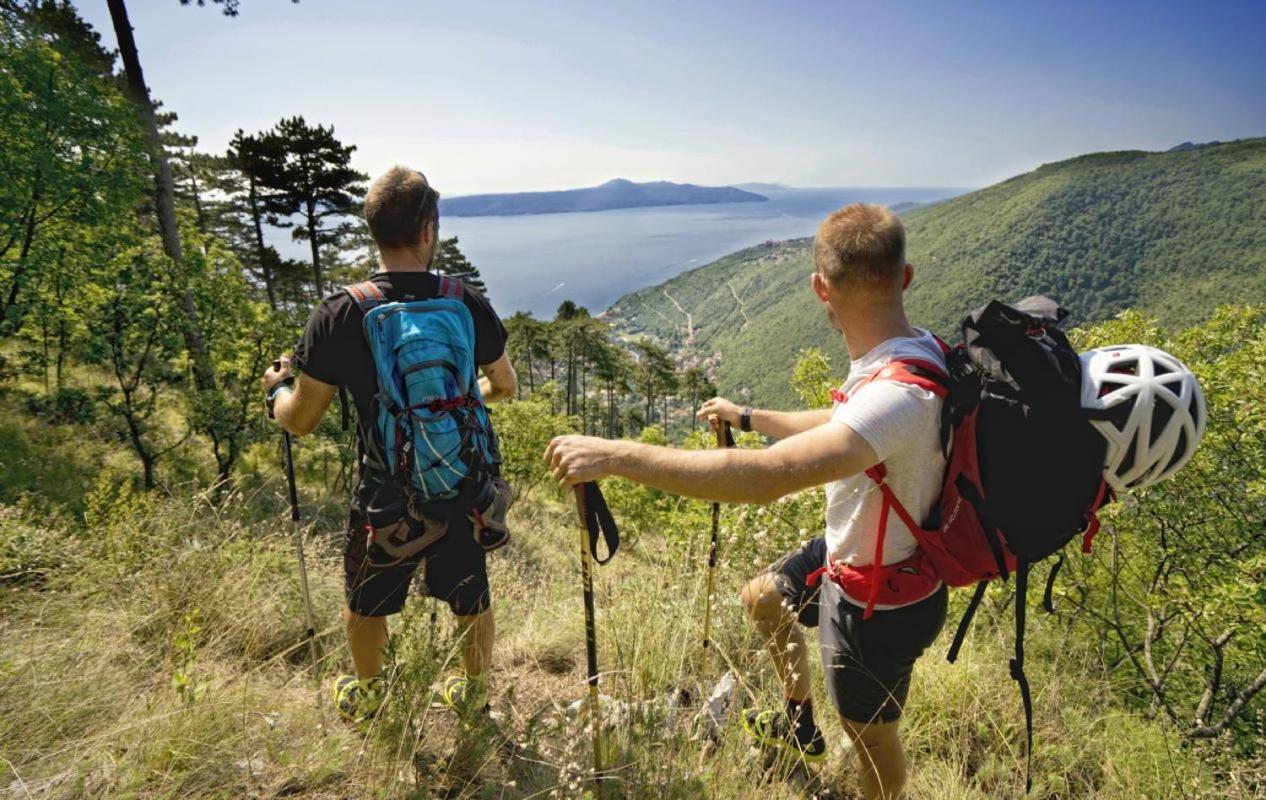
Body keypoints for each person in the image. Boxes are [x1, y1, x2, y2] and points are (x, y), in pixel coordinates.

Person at [546, 204, 947, 800]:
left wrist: (614, 455)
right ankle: (797, 720)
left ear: (819, 288)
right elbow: (848, 422)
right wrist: (748, 416)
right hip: (855, 554)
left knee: (871, 743)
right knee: (763, 597)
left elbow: (762, 479)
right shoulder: (910, 353)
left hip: (880, 597)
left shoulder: (897, 395)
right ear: (905, 276)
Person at [263, 166, 518, 723]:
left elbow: (300, 420)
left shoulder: (341, 313)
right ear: (429, 229)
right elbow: (504, 386)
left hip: (387, 496)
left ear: (372, 231)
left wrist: (276, 388)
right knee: (470, 600)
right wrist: (453, 406)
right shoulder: (465, 301)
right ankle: (472, 697)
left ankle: (372, 698)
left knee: (365, 601)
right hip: (461, 484)